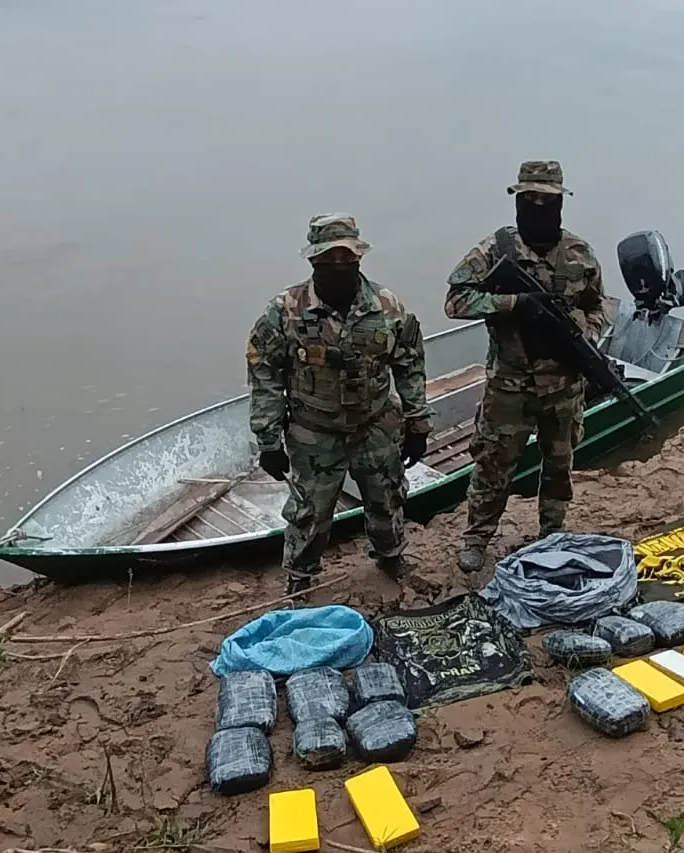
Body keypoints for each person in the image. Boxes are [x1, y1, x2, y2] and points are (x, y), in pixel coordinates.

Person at [246, 214, 432, 593]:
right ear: (312, 261)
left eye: (346, 259)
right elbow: (264, 373)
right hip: (314, 431)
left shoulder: (387, 306)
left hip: (376, 425)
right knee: (309, 512)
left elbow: (410, 363)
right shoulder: (285, 311)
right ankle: (299, 580)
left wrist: (418, 423)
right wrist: (268, 440)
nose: (338, 267)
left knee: (388, 497)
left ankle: (391, 557)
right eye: (328, 260)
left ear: (358, 259)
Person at [444, 160, 608, 573]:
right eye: (528, 198)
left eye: (546, 199)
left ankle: (552, 532)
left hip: (564, 385)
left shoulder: (579, 254)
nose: (537, 205)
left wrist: (581, 333)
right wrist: (513, 303)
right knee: (494, 465)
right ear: (517, 200)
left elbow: (597, 306)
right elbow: (455, 302)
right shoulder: (493, 251)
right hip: (509, 386)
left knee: (559, 464)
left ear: (560, 202)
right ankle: (476, 538)